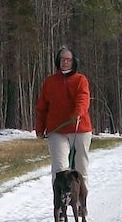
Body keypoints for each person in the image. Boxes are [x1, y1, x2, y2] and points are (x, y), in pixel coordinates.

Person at [35, 46, 93, 209]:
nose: (65, 62)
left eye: (68, 59)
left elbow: (83, 98)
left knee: (80, 168)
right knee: (60, 169)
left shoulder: (81, 80)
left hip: (80, 128)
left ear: (74, 62)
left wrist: (78, 113)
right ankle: (60, 207)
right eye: (62, 59)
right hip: (57, 130)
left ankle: (81, 204)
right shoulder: (50, 82)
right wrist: (39, 128)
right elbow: (42, 107)